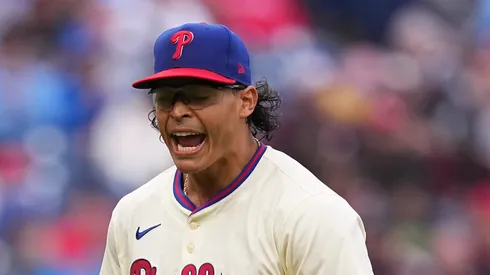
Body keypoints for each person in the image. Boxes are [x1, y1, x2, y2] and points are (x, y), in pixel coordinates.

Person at [100, 22, 374, 275]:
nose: (179, 111)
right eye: (166, 98)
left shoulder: (313, 215)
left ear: (246, 101)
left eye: (198, 96)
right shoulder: (132, 213)